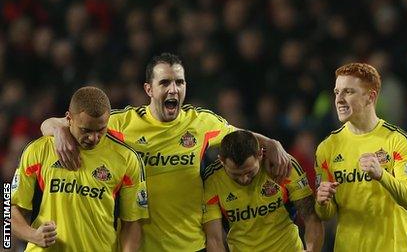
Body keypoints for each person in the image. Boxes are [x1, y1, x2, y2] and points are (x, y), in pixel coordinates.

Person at [40, 53, 291, 251]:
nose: (173, 89)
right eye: (165, 83)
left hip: (191, 246)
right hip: (139, 247)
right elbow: (52, 123)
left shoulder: (200, 123)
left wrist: (272, 142)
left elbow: (242, 137)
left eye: (179, 82)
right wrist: (59, 132)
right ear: (148, 89)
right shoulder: (124, 123)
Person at [11, 86, 148, 251]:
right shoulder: (38, 151)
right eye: (86, 130)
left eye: (101, 130)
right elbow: (9, 209)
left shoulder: (126, 159)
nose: (94, 137)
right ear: (68, 119)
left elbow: (132, 224)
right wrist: (32, 235)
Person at [315, 63, 407, 251]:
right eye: (336, 92)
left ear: (370, 97)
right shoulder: (327, 148)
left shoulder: (398, 141)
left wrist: (381, 174)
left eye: (348, 92)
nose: (339, 99)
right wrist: (322, 201)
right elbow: (326, 214)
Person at [202, 130, 323, 252]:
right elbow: (214, 239)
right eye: (235, 174)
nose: (244, 179)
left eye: (249, 172)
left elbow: (311, 218)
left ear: (260, 154)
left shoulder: (282, 165)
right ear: (222, 161)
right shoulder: (213, 180)